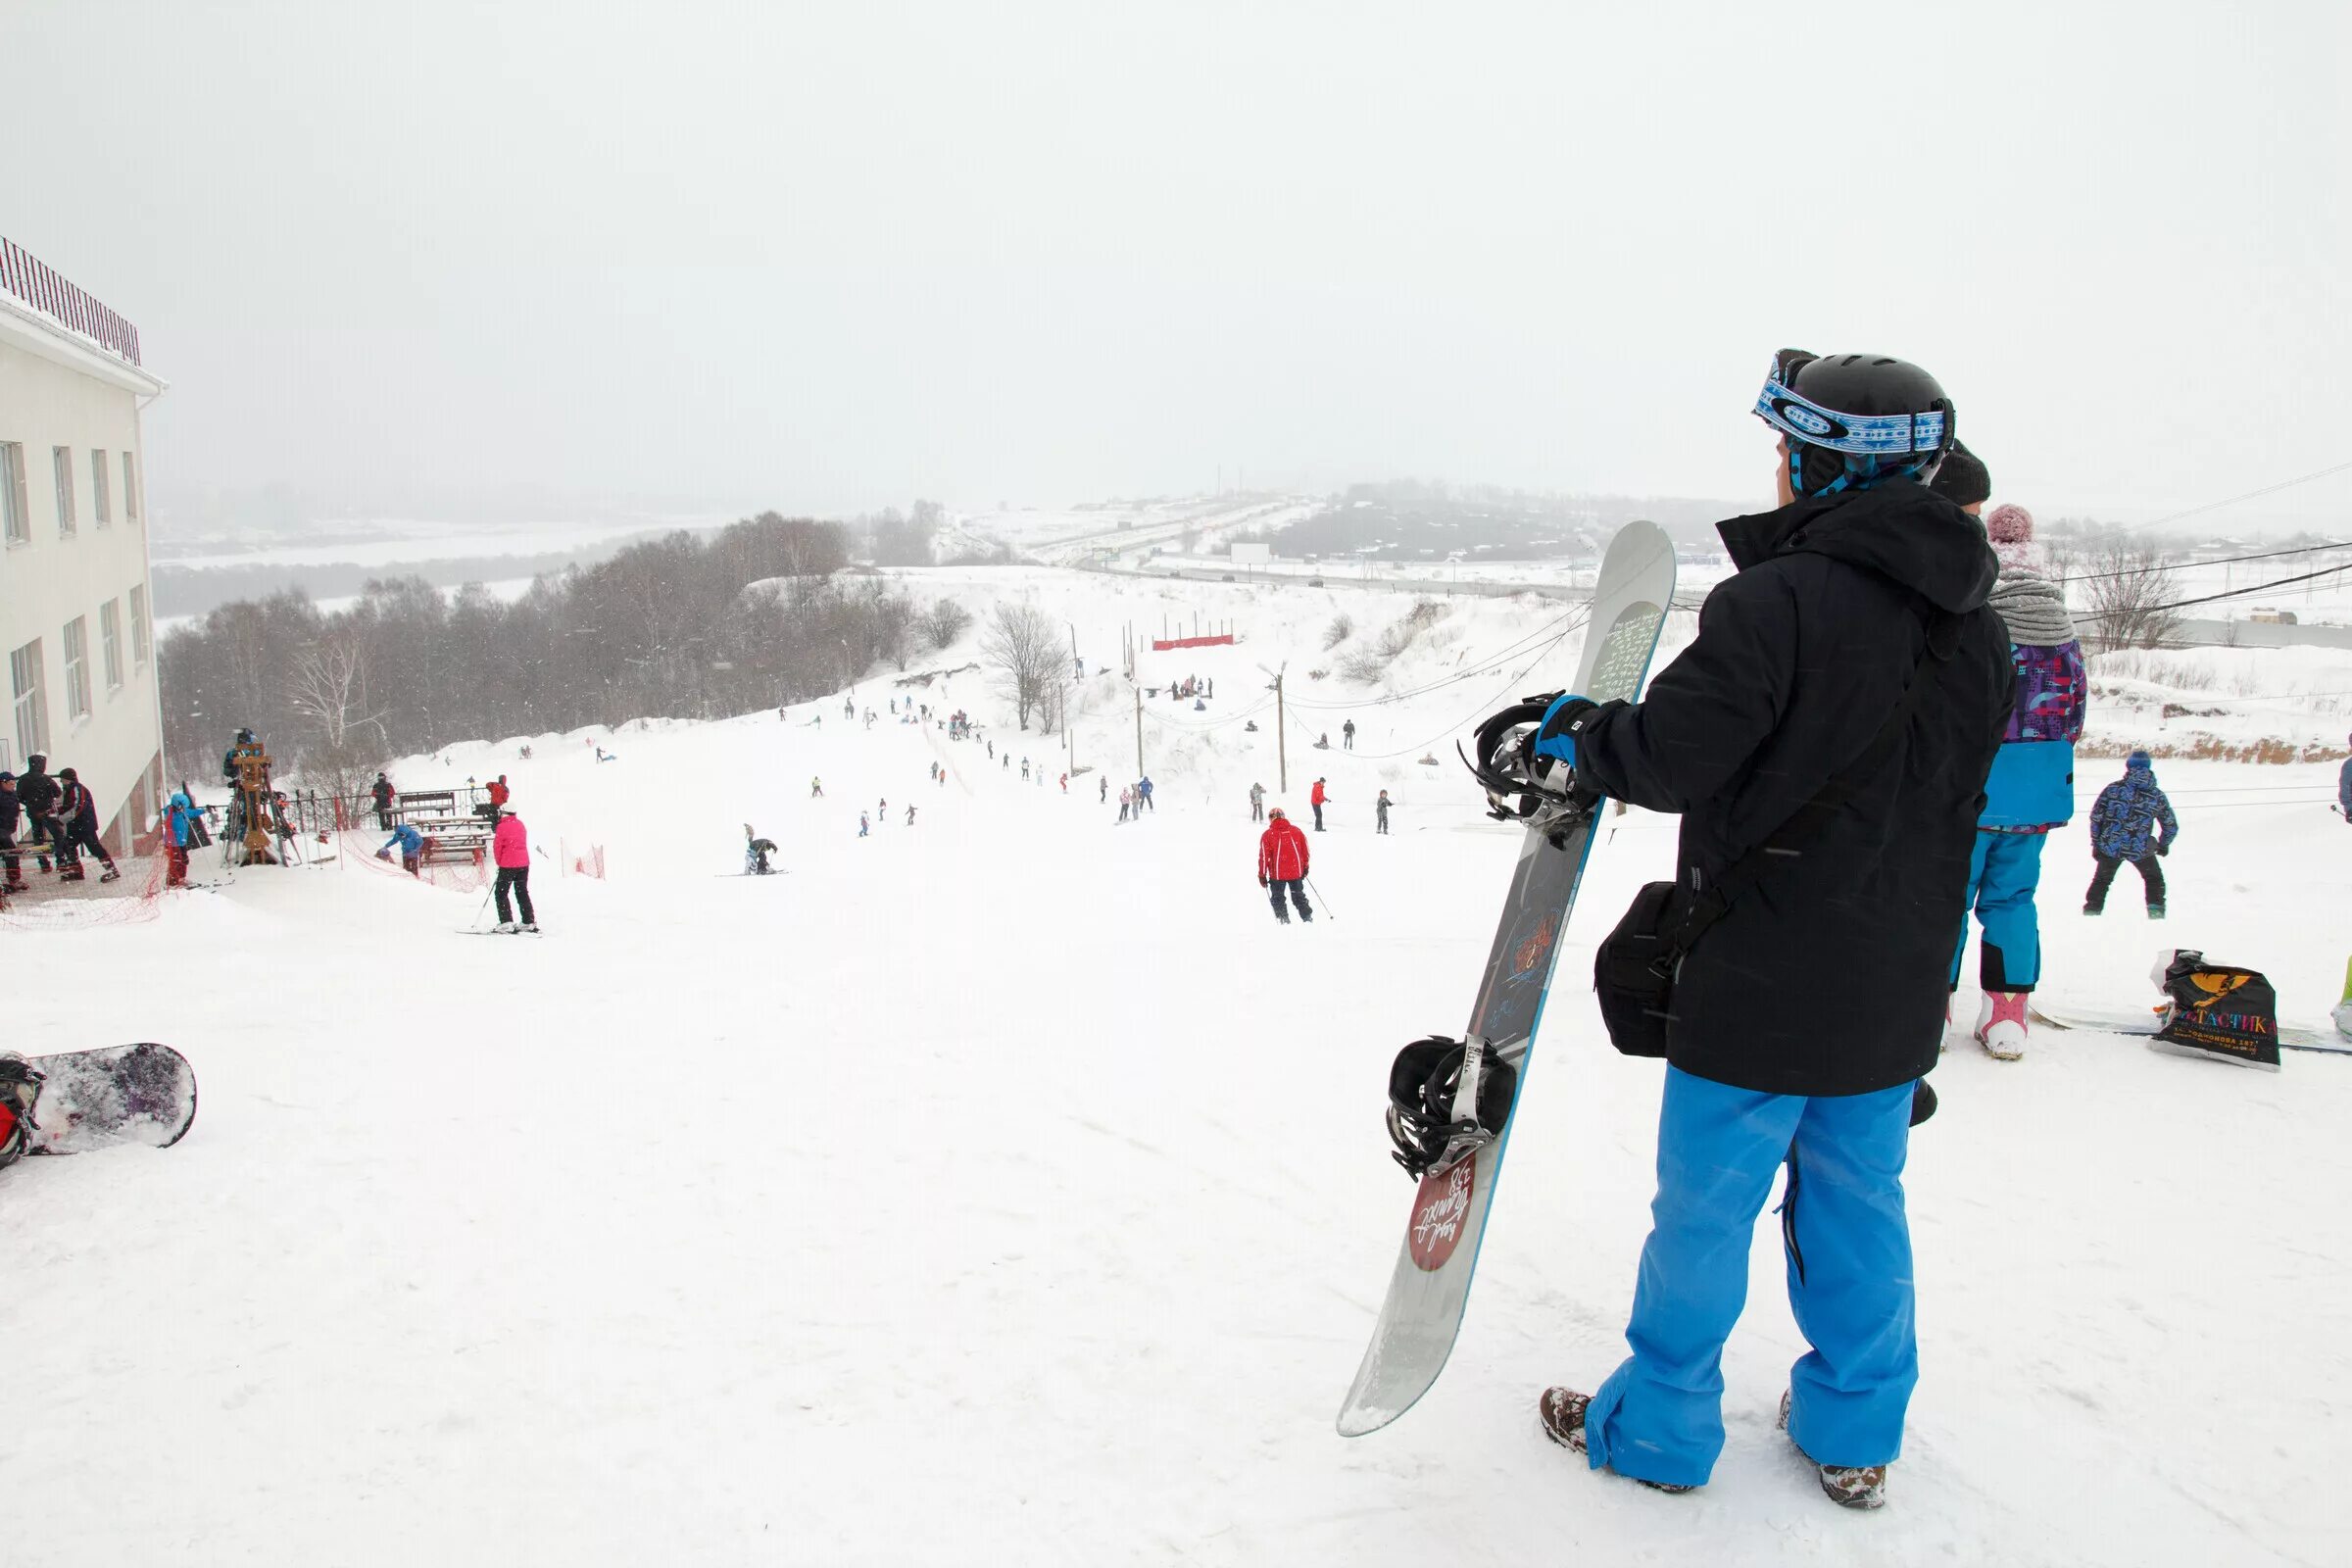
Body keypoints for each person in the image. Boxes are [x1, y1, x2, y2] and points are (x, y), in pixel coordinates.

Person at [1531, 349, 2011, 1509]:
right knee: (1858, 1210)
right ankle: (1855, 1426)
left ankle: (1660, 1428)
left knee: (1704, 1214)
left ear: (1822, 459)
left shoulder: (1776, 602)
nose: (1780, 469)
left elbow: (1670, 755)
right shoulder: (1981, 631)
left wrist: (1579, 736)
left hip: (1755, 982)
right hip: (1895, 991)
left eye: (1788, 449)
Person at [1949, 500, 2085, 1059]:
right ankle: (2007, 1017)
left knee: (1947, 899)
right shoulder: (2066, 638)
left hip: (1971, 793)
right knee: (2014, 899)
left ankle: (1931, 1009)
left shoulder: (1978, 627)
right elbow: (2073, 721)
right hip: (2035, 798)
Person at [2084, 752, 2176, 917]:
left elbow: (2096, 817)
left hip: (2111, 846)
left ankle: (2092, 912)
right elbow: (2170, 825)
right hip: (2140, 848)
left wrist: (2097, 842)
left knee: (2102, 880)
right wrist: (2163, 844)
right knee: (2153, 879)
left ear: (2128, 766)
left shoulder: (2113, 789)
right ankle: (2156, 913)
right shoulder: (2157, 796)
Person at [53, 767, 122, 882]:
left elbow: (77, 807)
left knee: (94, 847)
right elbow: (65, 805)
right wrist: (58, 812)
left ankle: (111, 870)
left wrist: (62, 818)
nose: (61, 782)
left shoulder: (77, 789)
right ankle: (75, 870)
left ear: (69, 779)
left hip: (85, 825)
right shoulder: (68, 790)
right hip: (74, 825)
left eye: (63, 779)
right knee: (68, 846)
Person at [1256, 806, 1312, 924]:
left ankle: (1283, 921)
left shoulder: (1268, 834)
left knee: (1278, 898)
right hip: (1295, 871)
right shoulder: (1296, 831)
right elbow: (1305, 850)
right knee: (1298, 896)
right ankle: (1307, 918)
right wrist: (1305, 866)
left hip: (1277, 875)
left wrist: (1262, 874)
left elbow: (1264, 857)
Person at [490, 808, 536, 932]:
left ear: (504, 813)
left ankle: (506, 921)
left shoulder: (501, 827)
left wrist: (500, 863)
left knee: (501, 893)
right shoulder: (520, 824)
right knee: (522, 892)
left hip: (508, 865)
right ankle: (528, 921)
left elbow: (497, 847)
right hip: (523, 864)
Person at [16, 754, 59, 870]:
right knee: (58, 835)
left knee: (38, 838)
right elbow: (57, 792)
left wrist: (30, 804)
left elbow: (19, 796)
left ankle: (43, 863)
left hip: (33, 812)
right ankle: (61, 861)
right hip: (48, 811)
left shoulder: (23, 779)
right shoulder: (46, 779)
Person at [163, 790, 204, 888]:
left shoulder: (184, 812)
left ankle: (181, 879)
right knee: (175, 862)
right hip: (172, 843)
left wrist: (205, 810)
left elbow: (193, 812)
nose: (184, 808)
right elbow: (166, 811)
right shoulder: (170, 813)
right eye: (182, 806)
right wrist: (172, 808)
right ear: (177, 805)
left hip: (182, 842)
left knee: (184, 861)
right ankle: (172, 883)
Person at [0, 772, 24, 891]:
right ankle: (14, 879)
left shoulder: (13, 795)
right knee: (11, 852)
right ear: (2, 783)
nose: (13, 786)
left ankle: (14, 879)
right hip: (1, 831)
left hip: (7, 829)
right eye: (10, 784)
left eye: (14, 784)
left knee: (10, 853)